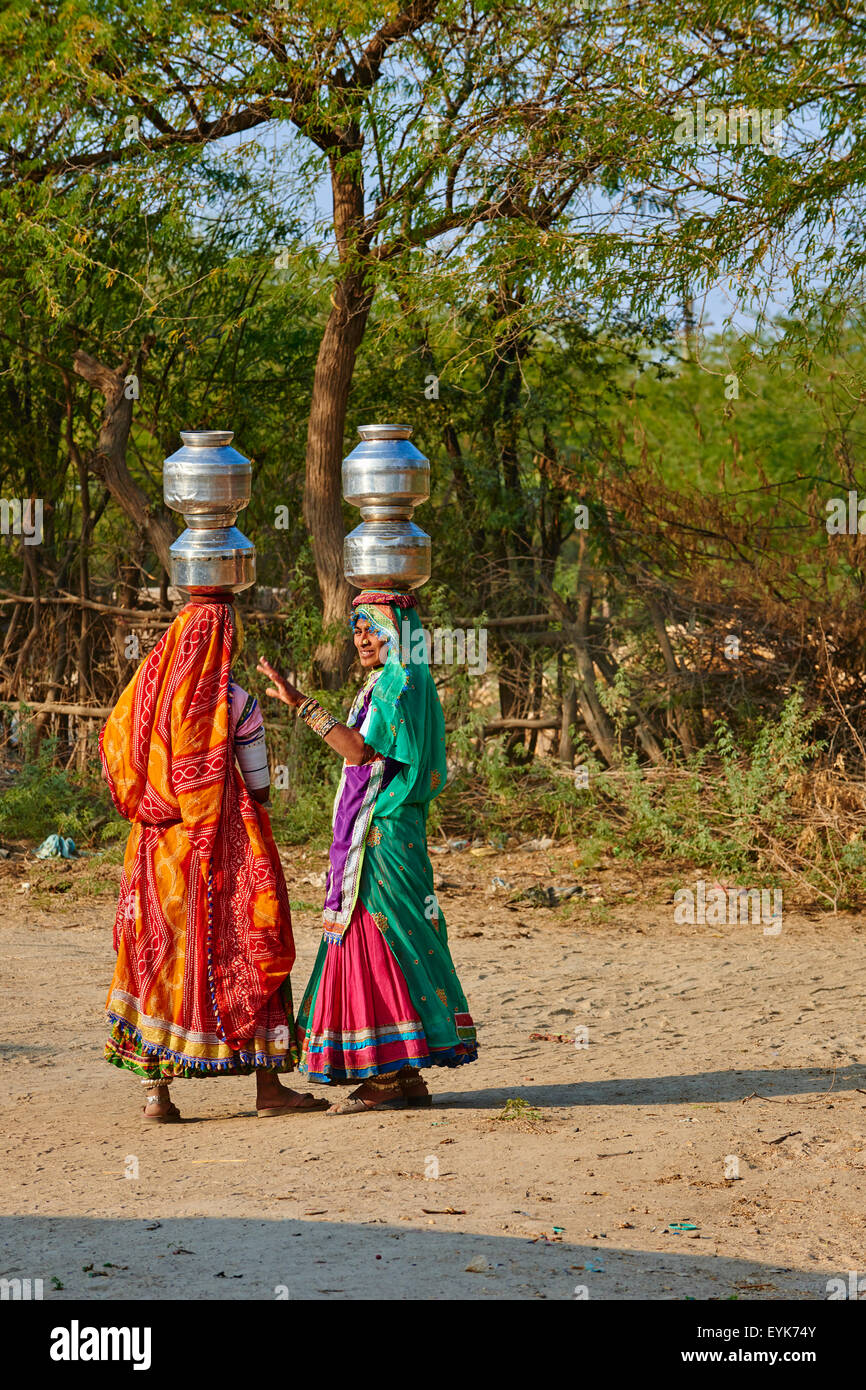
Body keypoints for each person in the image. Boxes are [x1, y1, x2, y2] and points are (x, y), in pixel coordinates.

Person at [100, 593, 327, 1122]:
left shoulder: (144, 697)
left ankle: (157, 1093)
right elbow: (261, 787)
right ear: (227, 641)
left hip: (158, 853)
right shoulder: (239, 705)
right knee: (252, 941)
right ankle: (269, 1088)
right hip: (222, 854)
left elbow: (119, 761)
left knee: (158, 956)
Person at [258, 588, 477, 1115]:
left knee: (374, 935)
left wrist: (299, 704)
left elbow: (359, 751)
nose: (361, 637)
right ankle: (406, 1076)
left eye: (372, 626)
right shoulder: (407, 679)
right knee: (401, 934)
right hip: (396, 828)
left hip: (380, 832)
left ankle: (384, 1076)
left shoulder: (397, 682)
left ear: (397, 633)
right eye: (357, 627)